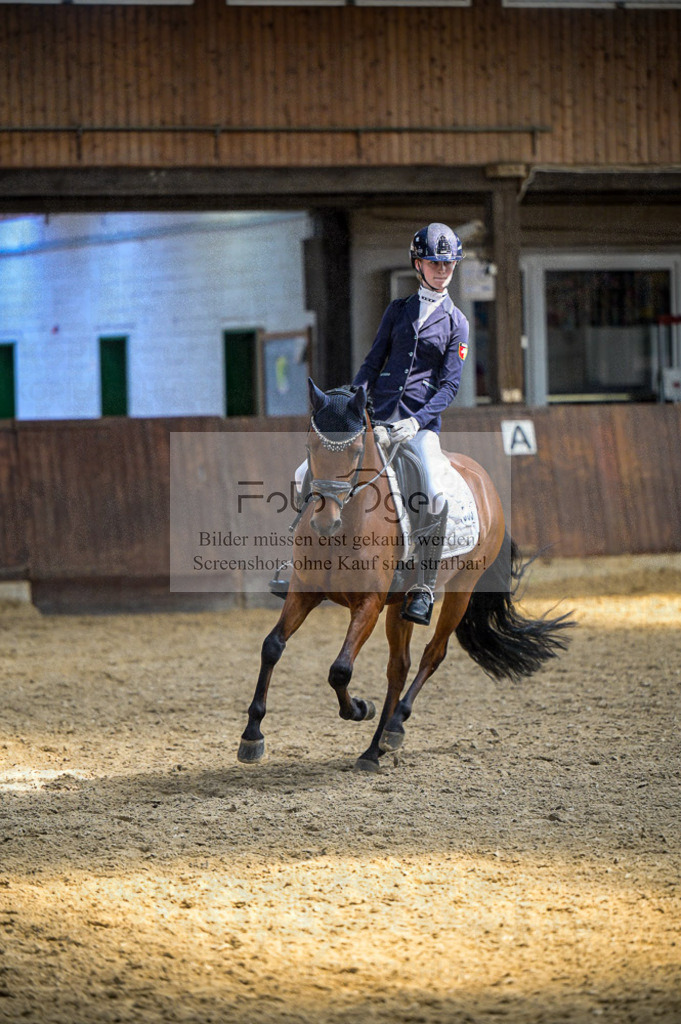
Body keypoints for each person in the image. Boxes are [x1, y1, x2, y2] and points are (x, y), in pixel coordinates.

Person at [352, 222, 469, 626]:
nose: (442, 271)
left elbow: (450, 385)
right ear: (418, 264)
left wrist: (418, 422)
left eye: (448, 264)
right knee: (315, 470)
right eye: (435, 263)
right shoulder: (398, 310)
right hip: (380, 415)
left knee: (433, 493)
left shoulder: (457, 323)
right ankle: (296, 563)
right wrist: (356, 399)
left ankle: (423, 586)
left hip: (420, 426)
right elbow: (373, 360)